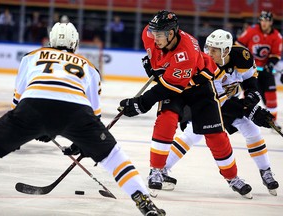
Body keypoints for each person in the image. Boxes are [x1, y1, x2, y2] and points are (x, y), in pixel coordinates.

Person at [0, 22, 165, 216]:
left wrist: (26, 129)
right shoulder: (89, 66)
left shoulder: (30, 57)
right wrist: (84, 141)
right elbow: (94, 112)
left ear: (50, 40)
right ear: (75, 42)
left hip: (32, 107)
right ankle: (144, 202)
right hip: (75, 111)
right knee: (113, 156)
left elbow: (18, 99)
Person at [119, 10, 253, 198]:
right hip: (174, 82)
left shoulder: (187, 51)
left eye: (159, 35)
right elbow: (158, 63)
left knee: (216, 135)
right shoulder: (149, 35)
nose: (154, 38)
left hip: (198, 86)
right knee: (166, 120)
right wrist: (153, 67)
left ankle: (232, 177)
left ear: (171, 33)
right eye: (153, 34)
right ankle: (156, 170)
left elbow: (169, 88)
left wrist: (141, 103)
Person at [164, 29, 279, 196]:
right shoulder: (204, 64)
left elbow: (249, 79)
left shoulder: (242, 56)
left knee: (253, 131)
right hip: (203, 103)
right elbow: (220, 102)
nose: (209, 53)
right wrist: (250, 110)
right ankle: (161, 169)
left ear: (226, 50)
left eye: (214, 50)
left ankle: (265, 171)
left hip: (229, 103)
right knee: (191, 135)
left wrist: (252, 97)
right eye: (208, 48)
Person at [236, 11, 283, 130]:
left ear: (271, 22)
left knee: (271, 97)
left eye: (267, 21)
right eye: (262, 20)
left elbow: (276, 54)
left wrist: (270, 64)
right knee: (249, 96)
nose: (264, 23)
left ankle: (272, 121)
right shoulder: (252, 31)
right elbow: (238, 44)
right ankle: (243, 120)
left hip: (266, 71)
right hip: (251, 70)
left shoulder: (277, 36)